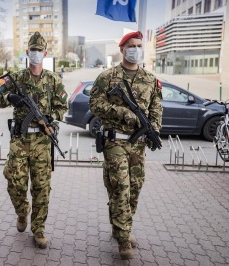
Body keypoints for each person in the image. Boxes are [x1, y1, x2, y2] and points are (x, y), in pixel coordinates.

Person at [89, 31, 163, 260]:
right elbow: (95, 104)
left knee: (134, 190)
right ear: (122, 49)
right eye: (131, 45)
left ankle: (122, 226)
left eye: (139, 45)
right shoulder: (107, 77)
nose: (135, 49)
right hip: (115, 142)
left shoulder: (150, 80)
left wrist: (154, 131)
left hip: (138, 146)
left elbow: (156, 109)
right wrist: (122, 113)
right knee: (121, 187)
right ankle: (123, 239)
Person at [0, 31, 68, 249]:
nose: (36, 54)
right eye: (32, 50)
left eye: (39, 51)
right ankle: (21, 212)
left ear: (45, 53)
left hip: (42, 142)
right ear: (27, 53)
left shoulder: (54, 80)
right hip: (19, 139)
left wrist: (50, 118)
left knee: (41, 188)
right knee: (14, 182)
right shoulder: (15, 78)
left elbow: (63, 107)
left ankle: (38, 229)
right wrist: (10, 97)